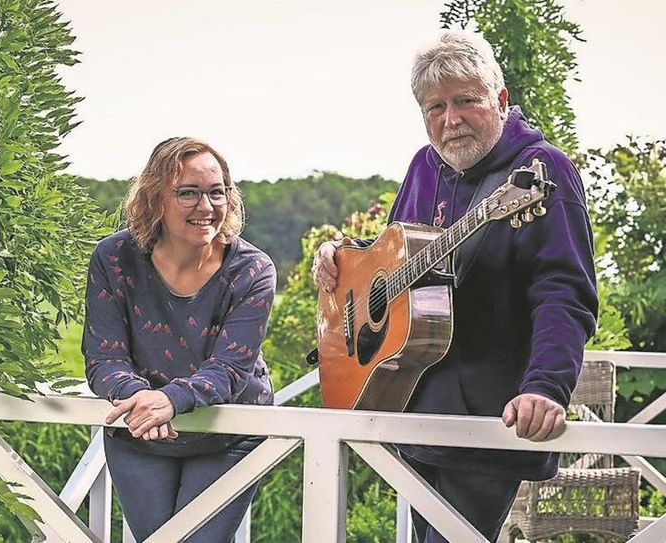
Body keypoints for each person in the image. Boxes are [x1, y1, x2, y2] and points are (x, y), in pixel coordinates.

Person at [312, 32, 598, 542]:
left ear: (501, 100)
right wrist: (341, 256)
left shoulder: (540, 171)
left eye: (466, 101)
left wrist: (545, 387)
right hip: (412, 401)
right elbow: (392, 255)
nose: (451, 120)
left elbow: (563, 291)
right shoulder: (424, 165)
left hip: (490, 418)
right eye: (435, 108)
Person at [82, 137, 276, 542]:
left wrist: (169, 401)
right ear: (155, 200)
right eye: (188, 193)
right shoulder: (113, 258)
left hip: (228, 433)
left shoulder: (253, 270)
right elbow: (104, 357)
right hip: (141, 434)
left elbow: (228, 369)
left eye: (216, 192)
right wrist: (142, 400)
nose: (206, 207)